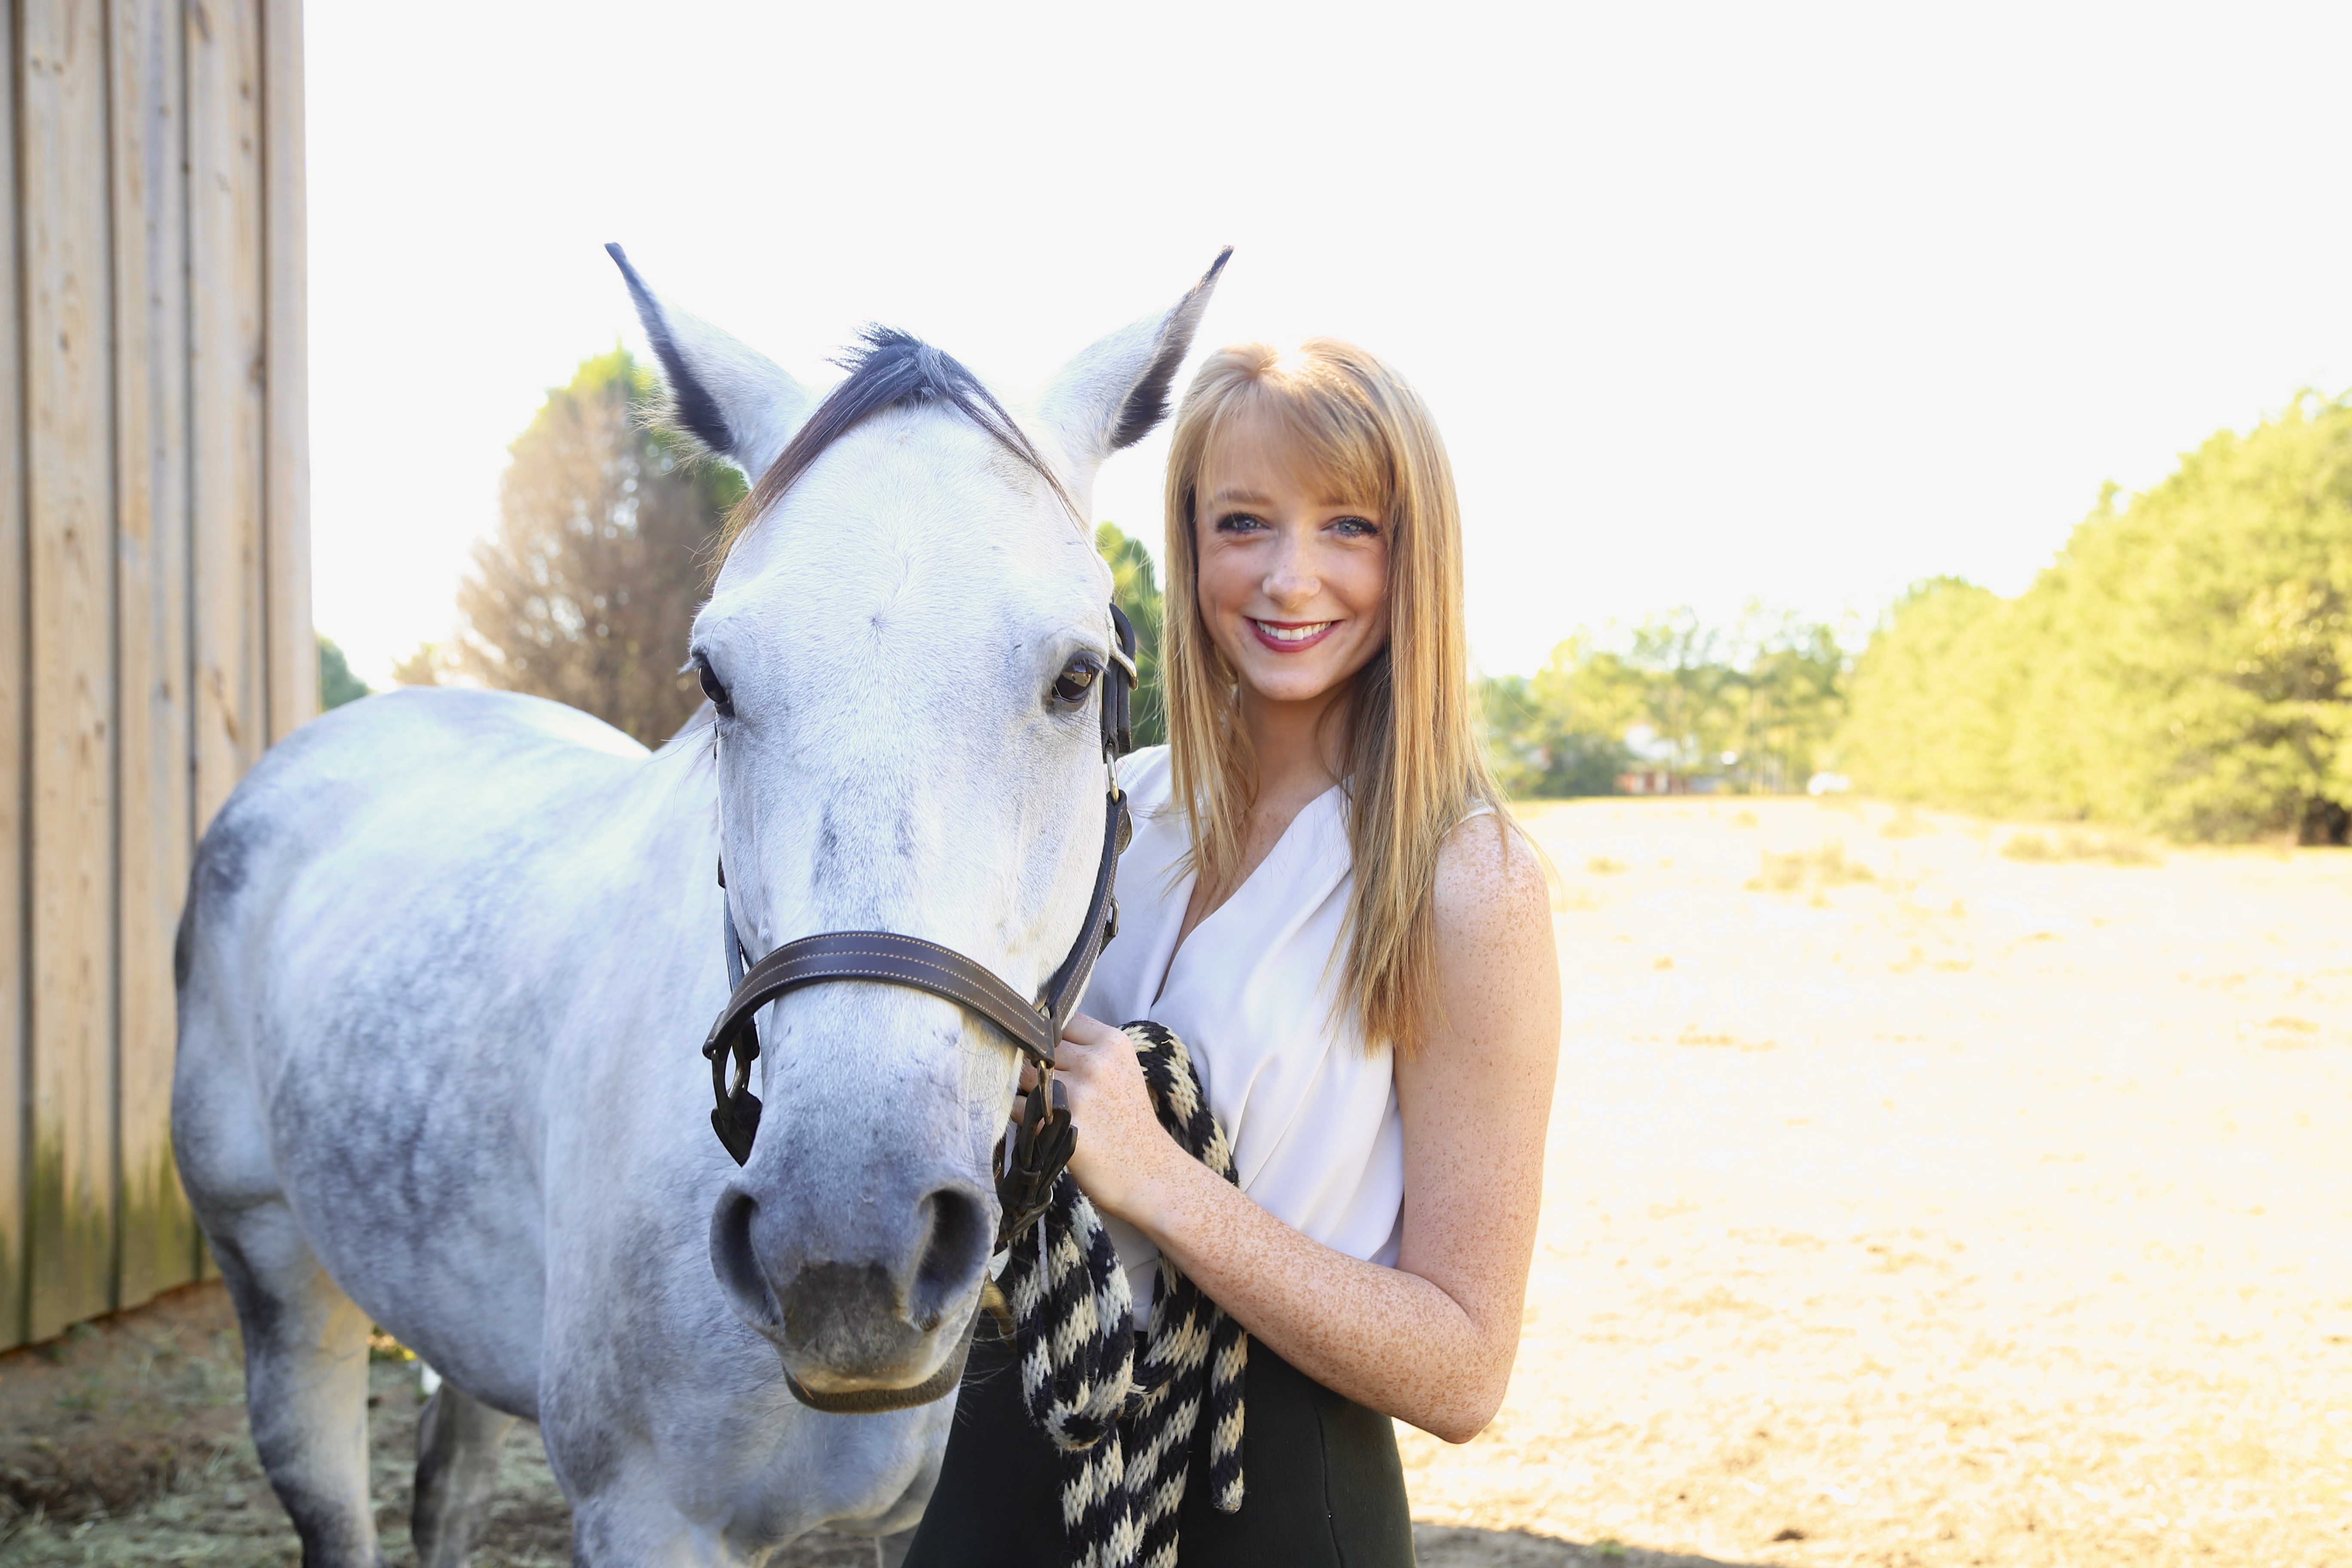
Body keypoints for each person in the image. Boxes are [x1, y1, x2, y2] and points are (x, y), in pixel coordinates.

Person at [904, 340, 1560, 1566]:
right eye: (1244, 523)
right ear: (1191, 543)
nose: (1289, 577)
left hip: (1264, 1500)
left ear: (1414, 555)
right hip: (1005, 1455)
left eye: (1349, 526)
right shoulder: (1103, 812)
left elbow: (1465, 1368)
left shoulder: (1466, 880)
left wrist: (1161, 1182)